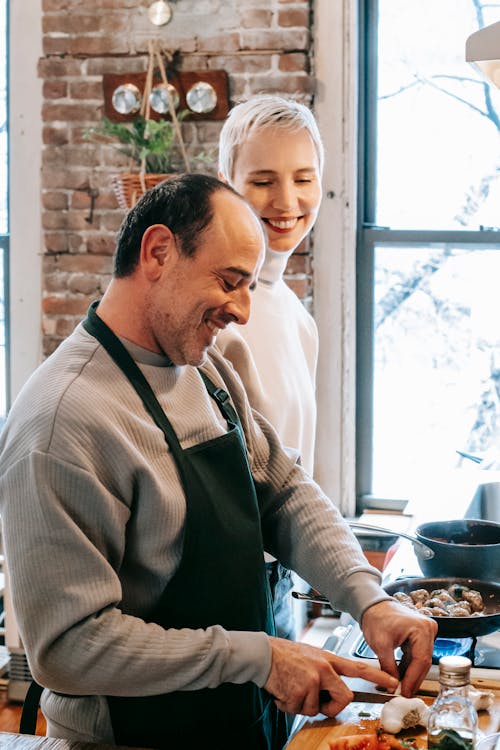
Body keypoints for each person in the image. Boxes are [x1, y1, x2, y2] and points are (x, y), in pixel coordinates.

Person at [0, 175, 436, 750]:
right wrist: (257, 655)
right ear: (158, 252)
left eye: (250, 285)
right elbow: (68, 648)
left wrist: (368, 599)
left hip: (240, 720)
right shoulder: (60, 421)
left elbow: (281, 490)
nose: (243, 310)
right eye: (230, 282)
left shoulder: (204, 370)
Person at [217, 95, 323, 639]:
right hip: (229, 586)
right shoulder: (215, 320)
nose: (288, 200)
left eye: (304, 178)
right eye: (262, 181)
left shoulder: (299, 320)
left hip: (284, 573)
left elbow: (294, 468)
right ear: (225, 181)